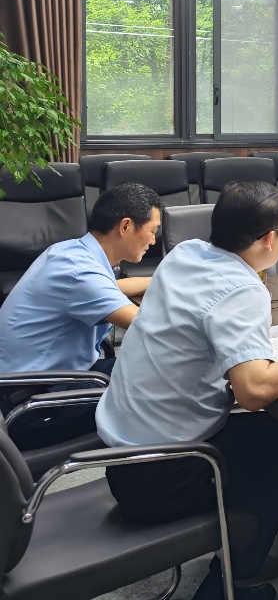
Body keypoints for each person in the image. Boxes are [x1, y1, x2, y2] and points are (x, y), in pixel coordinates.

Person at [96, 181, 278, 600]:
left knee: (277, 435)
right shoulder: (242, 289)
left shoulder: (186, 253)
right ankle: (230, 583)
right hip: (164, 475)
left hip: (121, 455)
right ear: (268, 239)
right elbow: (254, 390)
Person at [0, 183, 159, 450]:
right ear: (126, 226)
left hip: (41, 381)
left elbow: (111, 287)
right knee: (163, 384)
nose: (153, 241)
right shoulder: (79, 272)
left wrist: (159, 280)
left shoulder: (71, 252)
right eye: (152, 231)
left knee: (150, 368)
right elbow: (152, 327)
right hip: (32, 406)